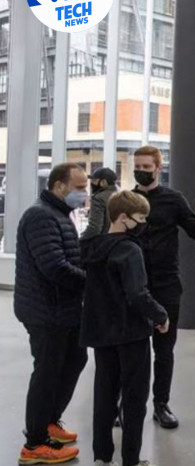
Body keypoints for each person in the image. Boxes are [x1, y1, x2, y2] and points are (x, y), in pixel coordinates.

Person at [131, 145, 195, 429]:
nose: (141, 171)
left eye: (147, 167)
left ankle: (161, 404)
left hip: (166, 284)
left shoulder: (173, 199)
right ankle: (127, 403)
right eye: (138, 167)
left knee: (164, 350)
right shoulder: (127, 200)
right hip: (133, 286)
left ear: (158, 168)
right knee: (131, 351)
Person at [81, 191, 169, 466]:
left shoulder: (92, 247)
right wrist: (160, 315)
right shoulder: (130, 250)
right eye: (140, 218)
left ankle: (101, 456)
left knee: (104, 396)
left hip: (101, 333)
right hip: (131, 333)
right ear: (123, 218)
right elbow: (137, 294)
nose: (143, 223)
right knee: (134, 398)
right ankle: (131, 459)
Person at [14, 163, 89, 465]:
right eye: (79, 187)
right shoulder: (40, 216)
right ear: (59, 186)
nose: (84, 193)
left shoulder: (58, 213)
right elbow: (54, 266)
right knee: (47, 372)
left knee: (75, 359)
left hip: (63, 308)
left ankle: (48, 421)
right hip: (46, 311)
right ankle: (34, 444)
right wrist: (93, 283)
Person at [81, 167, 119, 240]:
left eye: (94, 181)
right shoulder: (121, 195)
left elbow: (95, 227)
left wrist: (81, 240)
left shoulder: (98, 198)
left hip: (102, 241)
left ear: (103, 182)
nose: (92, 183)